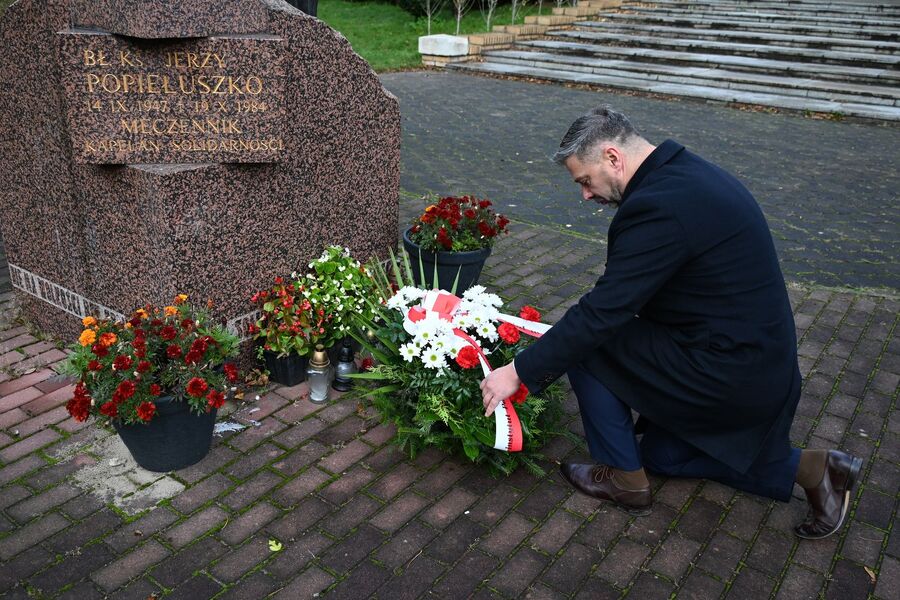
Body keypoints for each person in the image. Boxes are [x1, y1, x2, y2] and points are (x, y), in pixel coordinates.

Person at [480, 106, 861, 539]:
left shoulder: (657, 207)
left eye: (584, 181)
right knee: (663, 457)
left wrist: (519, 370)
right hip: (755, 364)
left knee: (588, 341)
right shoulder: (686, 173)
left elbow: (603, 313)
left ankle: (623, 479)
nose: (585, 195)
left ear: (612, 158)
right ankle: (815, 469)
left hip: (729, 373)